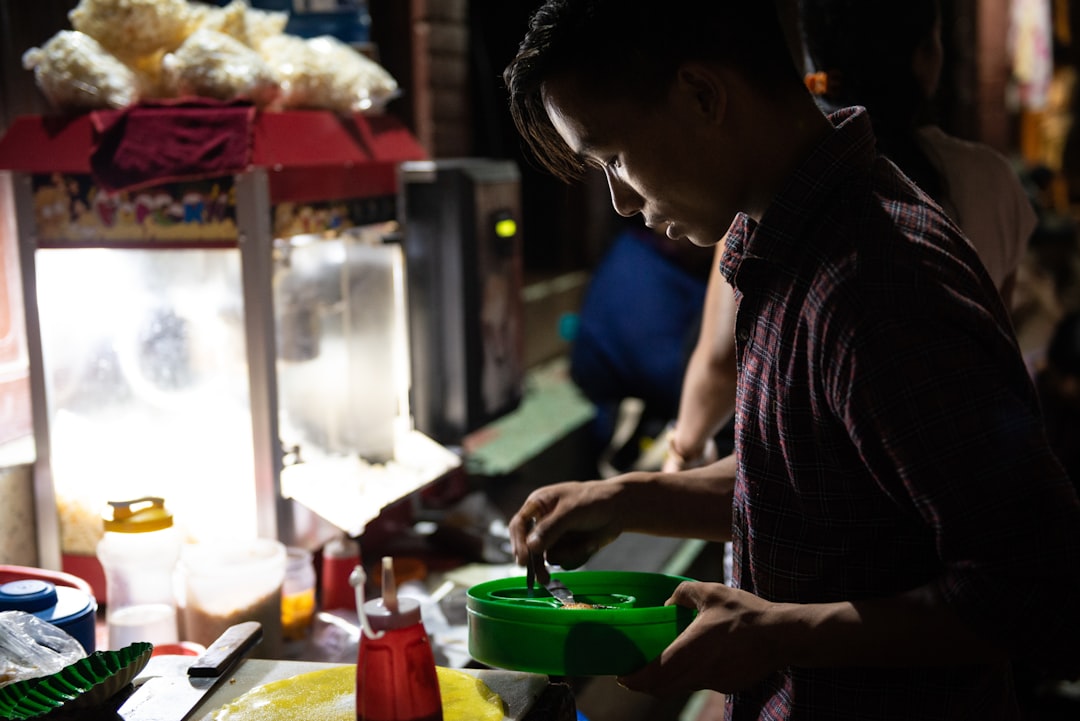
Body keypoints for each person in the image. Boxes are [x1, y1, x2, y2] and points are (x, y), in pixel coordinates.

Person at [501, 1, 1080, 719]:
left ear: (703, 96)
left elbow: (1039, 589)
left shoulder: (881, 283)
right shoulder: (777, 242)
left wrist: (777, 631)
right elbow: (812, 479)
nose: (620, 201)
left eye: (614, 158)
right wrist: (629, 498)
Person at [663, 0, 1039, 476]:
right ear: (925, 57)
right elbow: (992, 353)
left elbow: (720, 363)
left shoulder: (776, 190)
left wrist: (682, 452)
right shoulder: (990, 180)